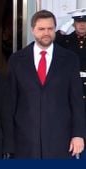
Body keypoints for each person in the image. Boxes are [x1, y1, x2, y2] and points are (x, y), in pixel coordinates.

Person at [7, 10, 86, 158]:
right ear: (32, 30)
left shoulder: (70, 59)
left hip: (60, 139)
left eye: (50, 28)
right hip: (25, 139)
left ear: (55, 29)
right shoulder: (16, 60)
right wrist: (9, 140)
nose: (46, 33)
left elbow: (76, 100)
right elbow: (11, 102)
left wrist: (78, 134)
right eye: (41, 29)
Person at [55, 8, 86, 159]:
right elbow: (55, 41)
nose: (82, 25)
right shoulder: (66, 40)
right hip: (72, 87)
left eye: (84, 22)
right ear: (74, 24)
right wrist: (65, 26)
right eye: (78, 22)